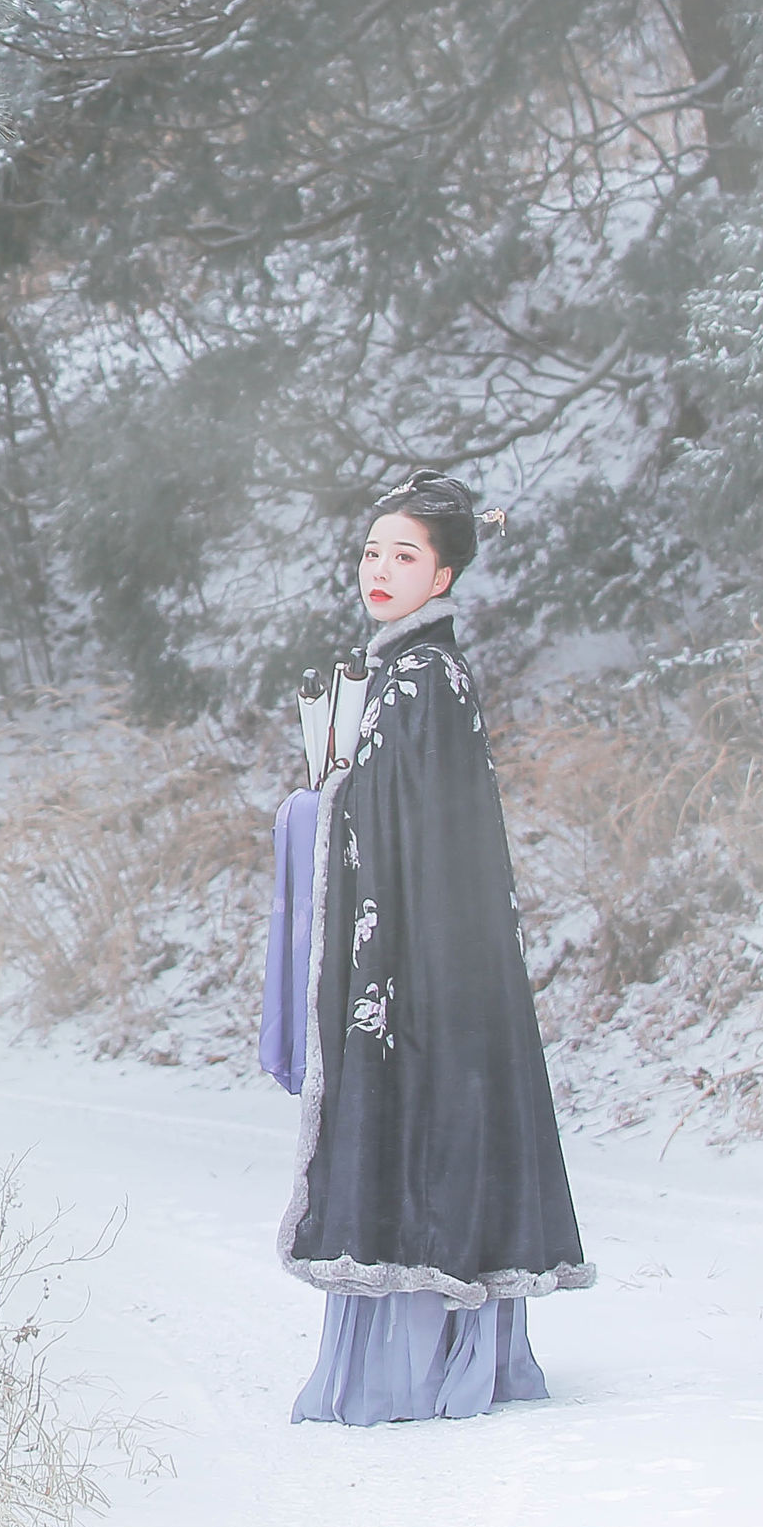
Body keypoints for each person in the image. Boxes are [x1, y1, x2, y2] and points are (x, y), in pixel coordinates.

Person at [270, 472, 591, 1424]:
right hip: (431, 946)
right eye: (372, 551)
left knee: (412, 1110)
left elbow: (393, 822)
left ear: (444, 571)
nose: (380, 568)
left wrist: (310, 810)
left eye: (404, 554)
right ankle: (455, 1352)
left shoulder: (417, 681)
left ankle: (412, 1364)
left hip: (417, 957)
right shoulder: (415, 673)